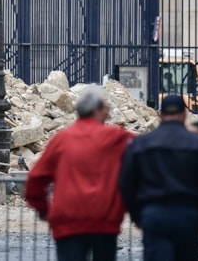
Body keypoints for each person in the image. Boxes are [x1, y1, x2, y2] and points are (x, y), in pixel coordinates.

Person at [118, 95, 198, 261]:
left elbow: (126, 183)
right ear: (184, 114)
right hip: (188, 216)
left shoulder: (141, 144)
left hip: (154, 215)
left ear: (160, 114)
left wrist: (137, 216)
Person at [25, 85, 134, 261]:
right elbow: (144, 151)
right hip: (104, 220)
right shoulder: (115, 137)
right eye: (106, 106)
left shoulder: (62, 139)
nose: (108, 111)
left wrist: (43, 209)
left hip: (68, 221)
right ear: (97, 109)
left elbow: (36, 178)